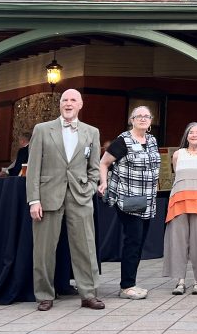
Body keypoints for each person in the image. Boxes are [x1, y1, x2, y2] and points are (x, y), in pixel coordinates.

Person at [26, 89, 104, 311]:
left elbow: (95, 168)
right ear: (60, 105)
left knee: (85, 247)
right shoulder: (42, 130)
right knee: (43, 249)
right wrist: (34, 200)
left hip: (80, 196)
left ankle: (89, 294)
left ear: (80, 104)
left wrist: (89, 188)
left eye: (73, 100)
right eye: (64, 100)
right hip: (48, 196)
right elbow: (33, 168)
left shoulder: (92, 132)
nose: (68, 104)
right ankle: (44, 295)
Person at [98, 106, 161, 300]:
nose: (143, 119)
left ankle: (130, 282)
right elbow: (104, 163)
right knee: (133, 240)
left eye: (146, 116)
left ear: (150, 121)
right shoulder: (122, 141)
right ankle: (126, 286)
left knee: (139, 241)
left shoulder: (151, 140)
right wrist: (104, 182)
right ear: (131, 120)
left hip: (148, 199)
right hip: (128, 197)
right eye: (138, 116)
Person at [164, 122, 197, 294]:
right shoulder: (178, 154)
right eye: (191, 132)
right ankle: (180, 281)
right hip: (179, 201)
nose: (194, 135)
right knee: (178, 241)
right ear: (186, 136)